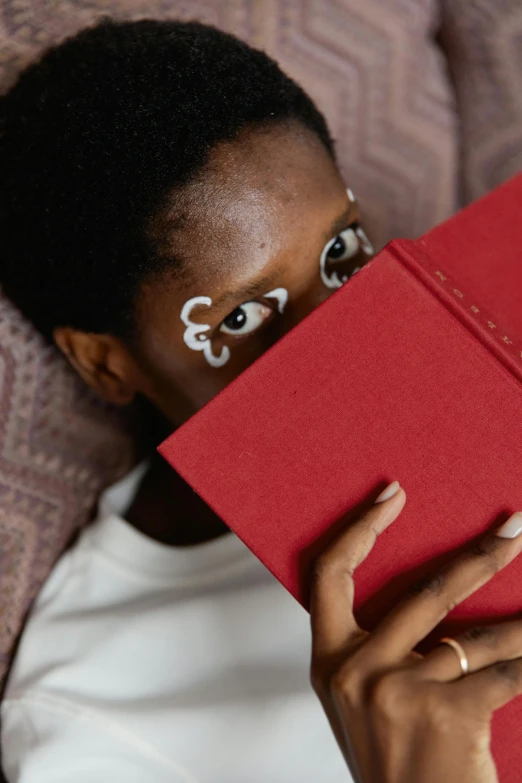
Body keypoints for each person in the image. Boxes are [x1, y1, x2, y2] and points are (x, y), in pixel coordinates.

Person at [1, 17, 522, 783]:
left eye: (341, 251)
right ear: (106, 362)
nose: (344, 337)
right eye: (241, 318)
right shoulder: (94, 715)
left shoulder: (483, 354)